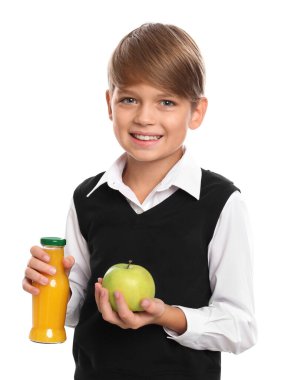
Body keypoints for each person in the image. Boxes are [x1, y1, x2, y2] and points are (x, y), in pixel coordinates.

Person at [23, 23, 257, 380]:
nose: (145, 117)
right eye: (129, 99)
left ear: (196, 112)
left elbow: (239, 326)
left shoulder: (220, 202)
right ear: (109, 103)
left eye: (166, 102)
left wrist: (166, 315)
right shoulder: (87, 198)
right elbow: (75, 311)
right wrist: (53, 286)